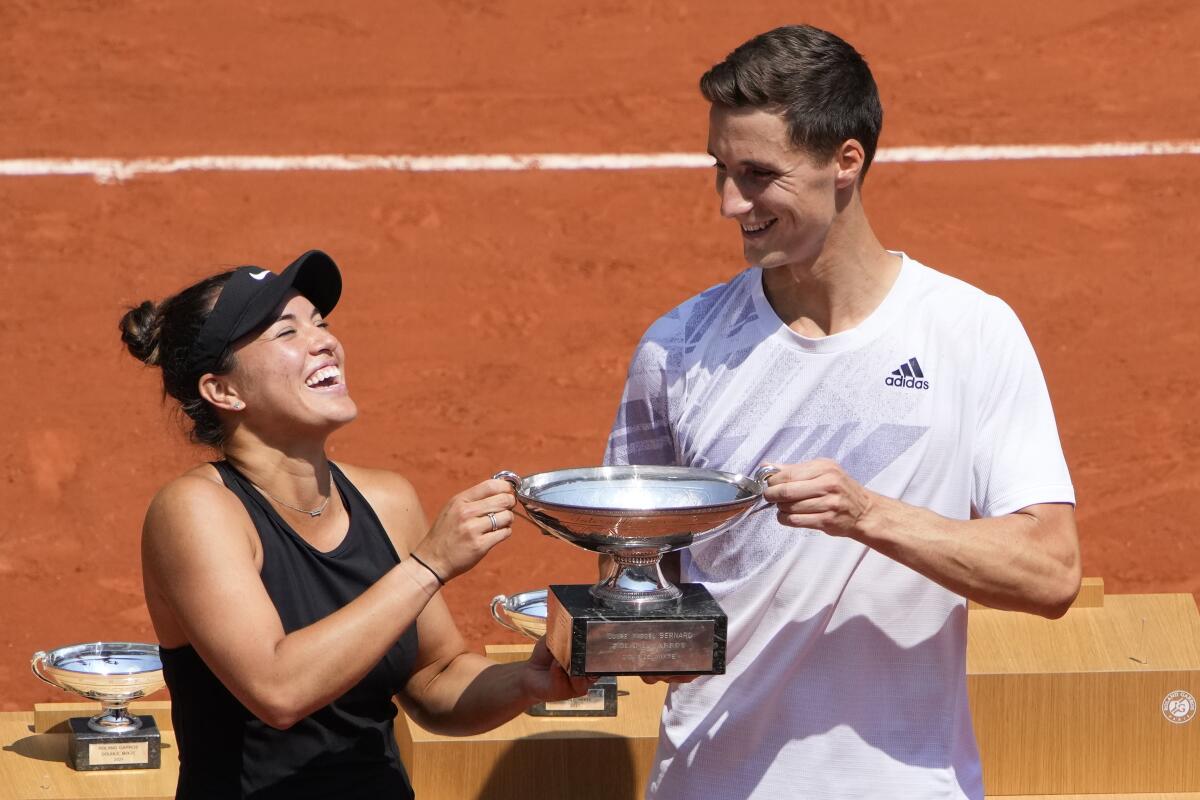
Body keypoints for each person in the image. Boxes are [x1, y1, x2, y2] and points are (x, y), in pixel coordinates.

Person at [603, 25, 1081, 800]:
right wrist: (623, 628)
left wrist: (867, 514)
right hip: (711, 784)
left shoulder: (970, 331)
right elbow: (633, 574)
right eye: (719, 171)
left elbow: (1051, 571)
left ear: (845, 162)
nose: (730, 203)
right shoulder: (678, 349)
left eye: (758, 175)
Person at [120, 250, 592, 799]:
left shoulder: (385, 499)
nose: (324, 341)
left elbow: (436, 677)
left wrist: (525, 684)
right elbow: (278, 690)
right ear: (223, 391)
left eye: (320, 323)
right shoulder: (196, 511)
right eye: (286, 332)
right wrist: (429, 566)